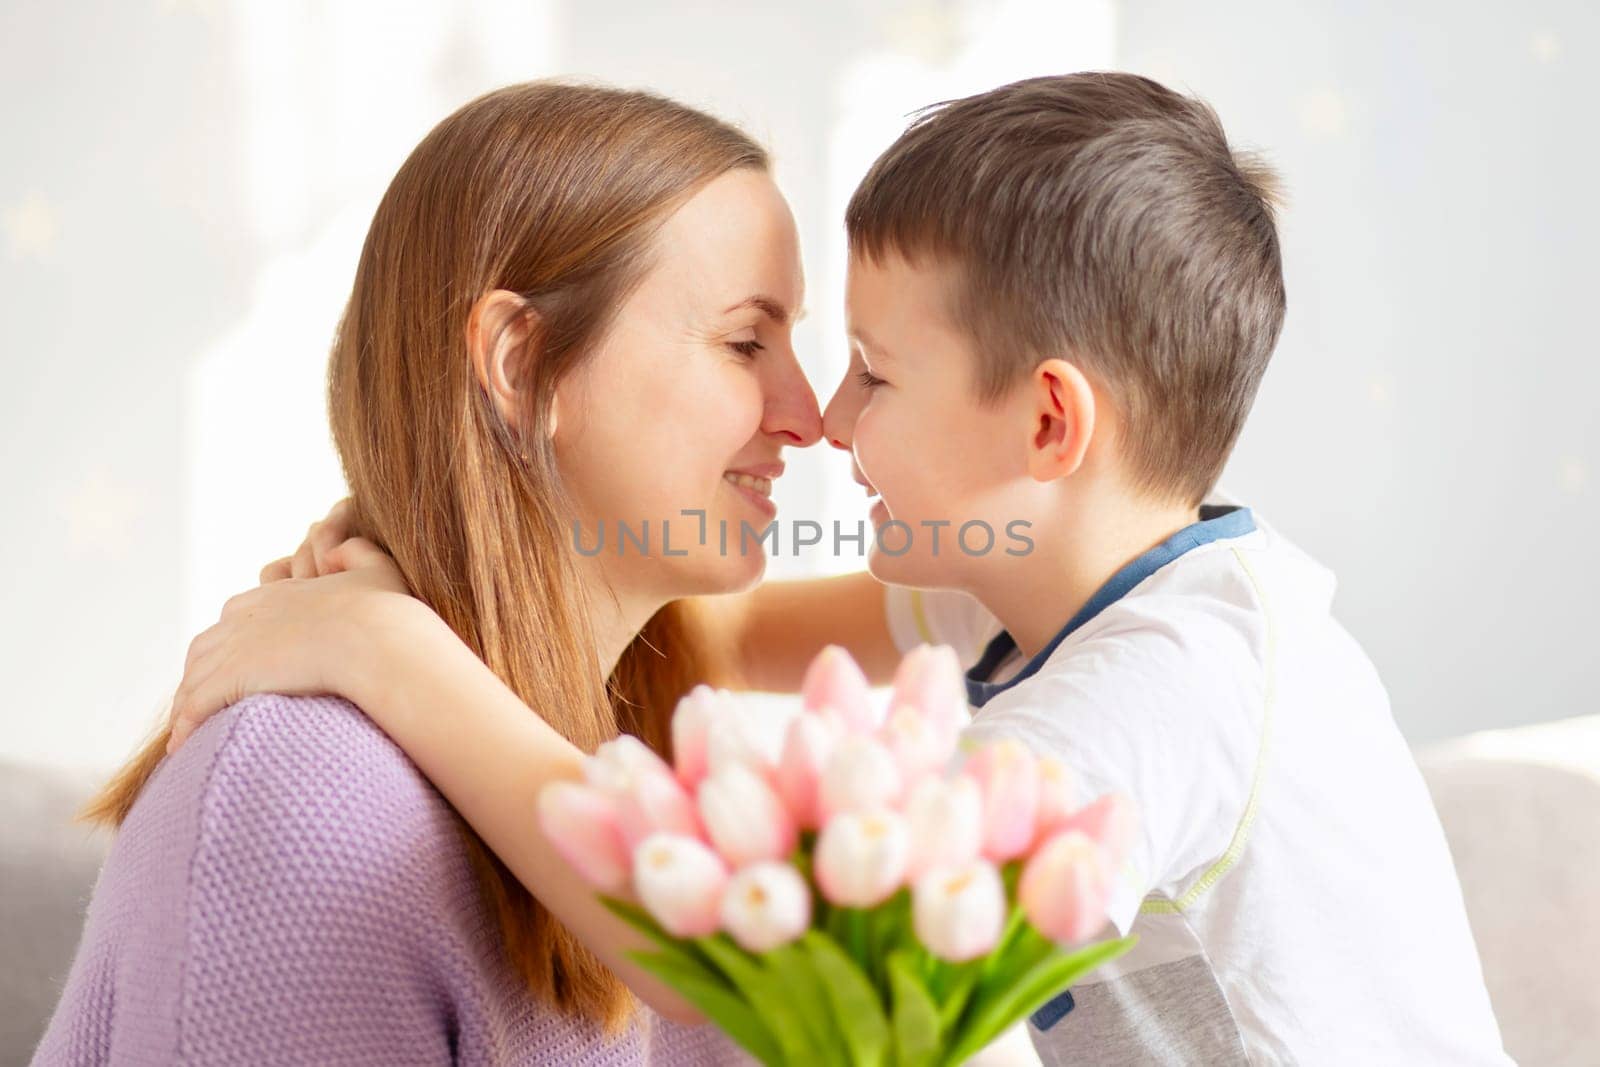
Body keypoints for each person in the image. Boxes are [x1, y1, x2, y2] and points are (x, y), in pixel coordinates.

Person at [162, 73, 1511, 1064]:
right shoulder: (1024, 578)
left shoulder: (1172, 683)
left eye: (874, 371)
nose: (829, 417)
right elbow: (730, 625)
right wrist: (406, 542)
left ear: (1047, 422)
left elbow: (746, 959)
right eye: (768, 347)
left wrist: (391, 654)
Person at [34, 80, 821, 1065]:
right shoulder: (307, 799)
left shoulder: (652, 745)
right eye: (747, 340)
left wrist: (384, 645)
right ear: (519, 361)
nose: (809, 412)